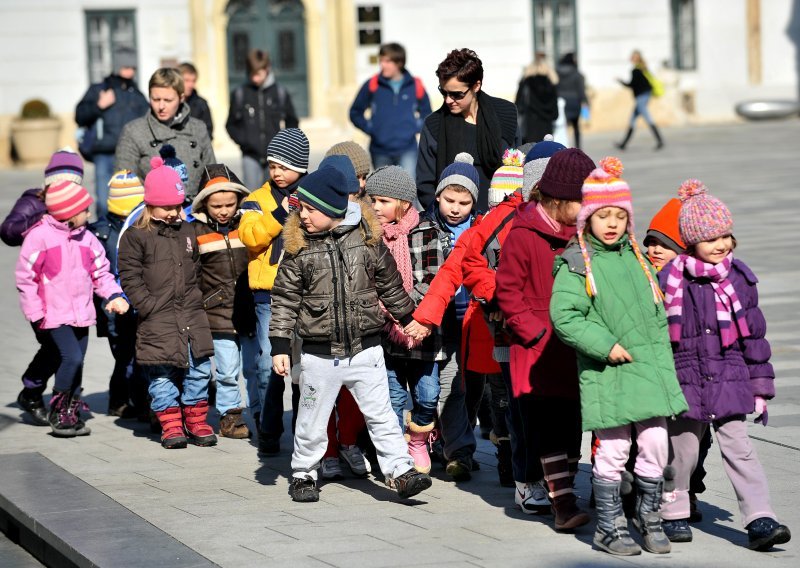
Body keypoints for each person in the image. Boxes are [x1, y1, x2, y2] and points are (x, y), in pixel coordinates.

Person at [268, 165, 433, 503]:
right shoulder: (299, 247)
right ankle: (303, 472)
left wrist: (407, 318)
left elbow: (389, 283)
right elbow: (284, 298)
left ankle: (400, 471)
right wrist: (280, 345)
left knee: (382, 413)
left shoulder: (365, 238)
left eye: (311, 209)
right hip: (319, 350)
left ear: (331, 209)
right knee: (312, 416)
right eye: (301, 209)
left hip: (366, 348)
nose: (304, 216)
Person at [550, 157, 688, 556]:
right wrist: (603, 345)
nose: (611, 224)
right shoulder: (578, 264)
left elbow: (655, 312)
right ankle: (608, 526)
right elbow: (565, 315)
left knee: (657, 442)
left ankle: (649, 515)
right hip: (608, 369)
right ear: (587, 219)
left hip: (647, 369)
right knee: (612, 449)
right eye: (602, 216)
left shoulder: (638, 258)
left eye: (618, 216)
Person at [659, 180, 791, 551]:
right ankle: (673, 511)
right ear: (689, 242)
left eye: (725, 236)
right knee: (681, 452)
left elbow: (755, 336)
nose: (720, 245)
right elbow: (657, 333)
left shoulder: (740, 278)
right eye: (710, 238)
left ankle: (760, 517)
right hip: (684, 377)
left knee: (740, 448)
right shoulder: (671, 280)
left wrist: (760, 385)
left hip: (730, 377)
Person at [496, 147, 595, 531]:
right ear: (557, 200)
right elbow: (508, 293)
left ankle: (568, 488)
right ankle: (563, 502)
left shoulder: (582, 234)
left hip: (572, 347)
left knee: (572, 425)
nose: (587, 210)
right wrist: (533, 331)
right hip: (536, 350)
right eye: (581, 203)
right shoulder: (522, 234)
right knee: (547, 428)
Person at [16, 181, 129, 437]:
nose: (89, 214)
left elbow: (101, 272)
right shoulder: (40, 237)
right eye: (84, 210)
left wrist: (113, 294)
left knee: (78, 363)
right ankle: (59, 411)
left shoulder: (87, 239)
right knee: (71, 358)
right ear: (68, 212)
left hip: (81, 314)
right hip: (52, 315)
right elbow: (26, 277)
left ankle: (72, 411)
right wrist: (36, 313)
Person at [118, 157, 217, 449]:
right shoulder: (136, 236)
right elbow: (129, 276)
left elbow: (196, 268)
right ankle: (171, 424)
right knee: (162, 373)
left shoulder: (186, 231)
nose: (175, 212)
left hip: (191, 314)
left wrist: (197, 299)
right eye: (168, 207)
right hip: (158, 318)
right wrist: (146, 305)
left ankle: (196, 420)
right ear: (150, 205)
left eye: (178, 206)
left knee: (199, 369)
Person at [238, 127, 309, 454]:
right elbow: (251, 237)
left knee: (301, 366)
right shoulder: (256, 199)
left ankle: (300, 432)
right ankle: (268, 428)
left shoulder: (311, 195)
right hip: (268, 294)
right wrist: (281, 213)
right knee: (270, 361)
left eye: (285, 166)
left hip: (305, 293)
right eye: (273, 165)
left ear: (302, 166)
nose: (277, 172)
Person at [364, 165, 439, 474]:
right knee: (392, 395)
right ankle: (395, 457)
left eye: (383, 201)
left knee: (427, 394)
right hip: (385, 332)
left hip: (420, 329)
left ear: (404, 203)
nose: (376, 208)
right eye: (372, 201)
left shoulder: (425, 231)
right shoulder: (370, 236)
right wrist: (386, 311)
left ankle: (419, 437)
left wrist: (407, 313)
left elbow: (431, 279)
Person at [6, 149, 86, 425]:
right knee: (58, 349)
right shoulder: (33, 201)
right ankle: (33, 391)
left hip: (68, 295)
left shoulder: (73, 204)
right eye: (60, 183)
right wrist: (40, 220)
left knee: (62, 350)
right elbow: (8, 230)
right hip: (42, 295)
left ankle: (47, 395)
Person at [187, 164, 257, 440]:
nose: (224, 210)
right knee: (228, 370)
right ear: (205, 202)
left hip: (248, 306)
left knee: (254, 367)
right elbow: (194, 273)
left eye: (230, 203)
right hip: (216, 312)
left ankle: (260, 413)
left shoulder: (248, 225)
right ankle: (230, 417)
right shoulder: (196, 230)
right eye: (216, 205)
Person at [417, 48, 519, 212]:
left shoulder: (505, 114)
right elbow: (425, 184)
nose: (448, 100)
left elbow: (517, 169)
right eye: (444, 92)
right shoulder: (434, 124)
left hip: (501, 217)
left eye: (457, 94)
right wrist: (446, 216)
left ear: (476, 86)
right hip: (453, 222)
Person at [89, 170, 146, 418]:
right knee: (124, 356)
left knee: (138, 353)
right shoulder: (102, 232)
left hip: (138, 302)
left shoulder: (142, 225)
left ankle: (140, 401)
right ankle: (120, 400)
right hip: (113, 308)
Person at [115, 68, 215, 200]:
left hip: (194, 212)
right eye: (156, 99)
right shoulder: (133, 131)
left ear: (181, 98)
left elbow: (212, 175)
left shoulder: (198, 128)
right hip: (152, 212)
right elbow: (125, 183)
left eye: (168, 100)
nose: (161, 106)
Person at [75, 46, 149, 218]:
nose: (130, 70)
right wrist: (99, 106)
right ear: (117, 66)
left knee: (131, 205)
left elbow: (146, 123)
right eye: (125, 66)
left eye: (132, 67)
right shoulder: (99, 90)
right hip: (104, 154)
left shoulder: (137, 94)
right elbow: (80, 116)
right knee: (103, 204)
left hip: (130, 156)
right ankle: (102, 241)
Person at [349, 42, 432, 175]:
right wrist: (371, 128)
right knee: (383, 192)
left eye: (387, 61)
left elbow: (427, 114)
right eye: (381, 60)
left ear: (399, 63)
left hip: (407, 150)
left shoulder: (415, 85)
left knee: (408, 191)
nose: (382, 65)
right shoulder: (372, 84)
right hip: (380, 151)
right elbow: (355, 112)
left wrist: (414, 128)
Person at [226, 49, 300, 190]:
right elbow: (231, 125)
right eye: (252, 74)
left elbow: (292, 121)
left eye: (258, 74)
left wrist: (284, 143)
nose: (255, 78)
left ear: (267, 69)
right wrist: (245, 142)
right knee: (251, 195)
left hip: (275, 156)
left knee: (274, 195)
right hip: (250, 154)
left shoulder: (280, 92)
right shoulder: (240, 93)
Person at [616, 50, 664, 151]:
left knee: (647, 118)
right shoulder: (643, 68)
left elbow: (631, 85)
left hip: (641, 97)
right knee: (632, 120)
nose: (631, 58)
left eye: (633, 56)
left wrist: (620, 81)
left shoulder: (636, 70)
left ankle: (660, 141)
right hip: (645, 96)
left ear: (636, 58)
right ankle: (623, 144)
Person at [515, 53, 559, 145]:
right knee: (546, 149)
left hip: (530, 122)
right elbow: (555, 105)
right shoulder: (551, 82)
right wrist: (554, 115)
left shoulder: (526, 82)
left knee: (531, 150)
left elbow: (519, 102)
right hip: (547, 122)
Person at [556, 53, 588, 149]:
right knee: (576, 127)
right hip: (574, 103)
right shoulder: (577, 74)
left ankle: (562, 147)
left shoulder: (557, 73)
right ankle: (578, 148)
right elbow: (581, 91)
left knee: (562, 127)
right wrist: (585, 102)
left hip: (561, 103)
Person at [179, 62, 214, 139]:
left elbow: (208, 132)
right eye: (186, 80)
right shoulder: (168, 102)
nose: (191, 85)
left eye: (193, 81)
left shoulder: (201, 104)